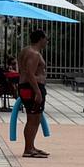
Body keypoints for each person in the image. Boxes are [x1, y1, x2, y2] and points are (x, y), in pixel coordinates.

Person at [18, 29, 48, 158]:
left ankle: (31, 146)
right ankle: (28, 149)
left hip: (26, 87)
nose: (47, 41)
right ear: (40, 39)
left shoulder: (25, 50)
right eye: (46, 38)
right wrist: (37, 91)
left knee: (34, 118)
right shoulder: (34, 54)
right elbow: (30, 73)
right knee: (33, 119)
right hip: (32, 88)